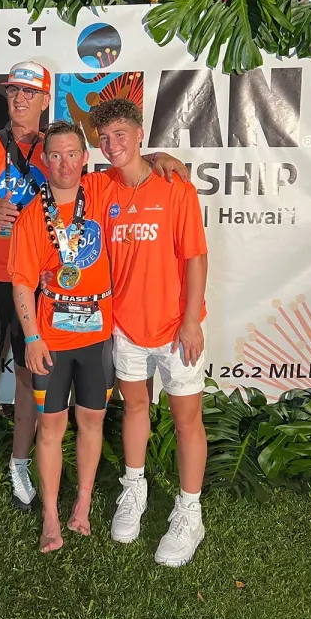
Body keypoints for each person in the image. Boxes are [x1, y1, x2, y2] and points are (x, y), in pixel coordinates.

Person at [0, 60, 188, 546]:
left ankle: (21, 466)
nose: (20, 100)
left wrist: (159, 157)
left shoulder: (72, 162)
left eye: (29, 93)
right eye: (13, 93)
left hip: (52, 294)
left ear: (46, 99)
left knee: (33, 384)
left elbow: (123, 163)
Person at [89, 97, 209, 567]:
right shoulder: (101, 188)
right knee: (136, 407)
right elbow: (62, 176)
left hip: (177, 328)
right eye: (104, 138)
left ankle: (190, 512)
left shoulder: (174, 186)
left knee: (185, 420)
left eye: (121, 135)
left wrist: (192, 319)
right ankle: (134, 489)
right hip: (126, 327)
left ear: (140, 134)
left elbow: (195, 256)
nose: (112, 145)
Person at [8, 121, 115, 553]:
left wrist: (166, 160)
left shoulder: (104, 190)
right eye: (55, 155)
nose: (65, 163)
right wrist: (32, 338)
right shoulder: (34, 214)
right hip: (51, 338)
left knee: (91, 421)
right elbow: (20, 281)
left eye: (73, 153)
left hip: (98, 335)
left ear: (86, 158)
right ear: (44, 160)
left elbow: (143, 171)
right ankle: (51, 515)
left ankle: (83, 502)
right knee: (50, 428)